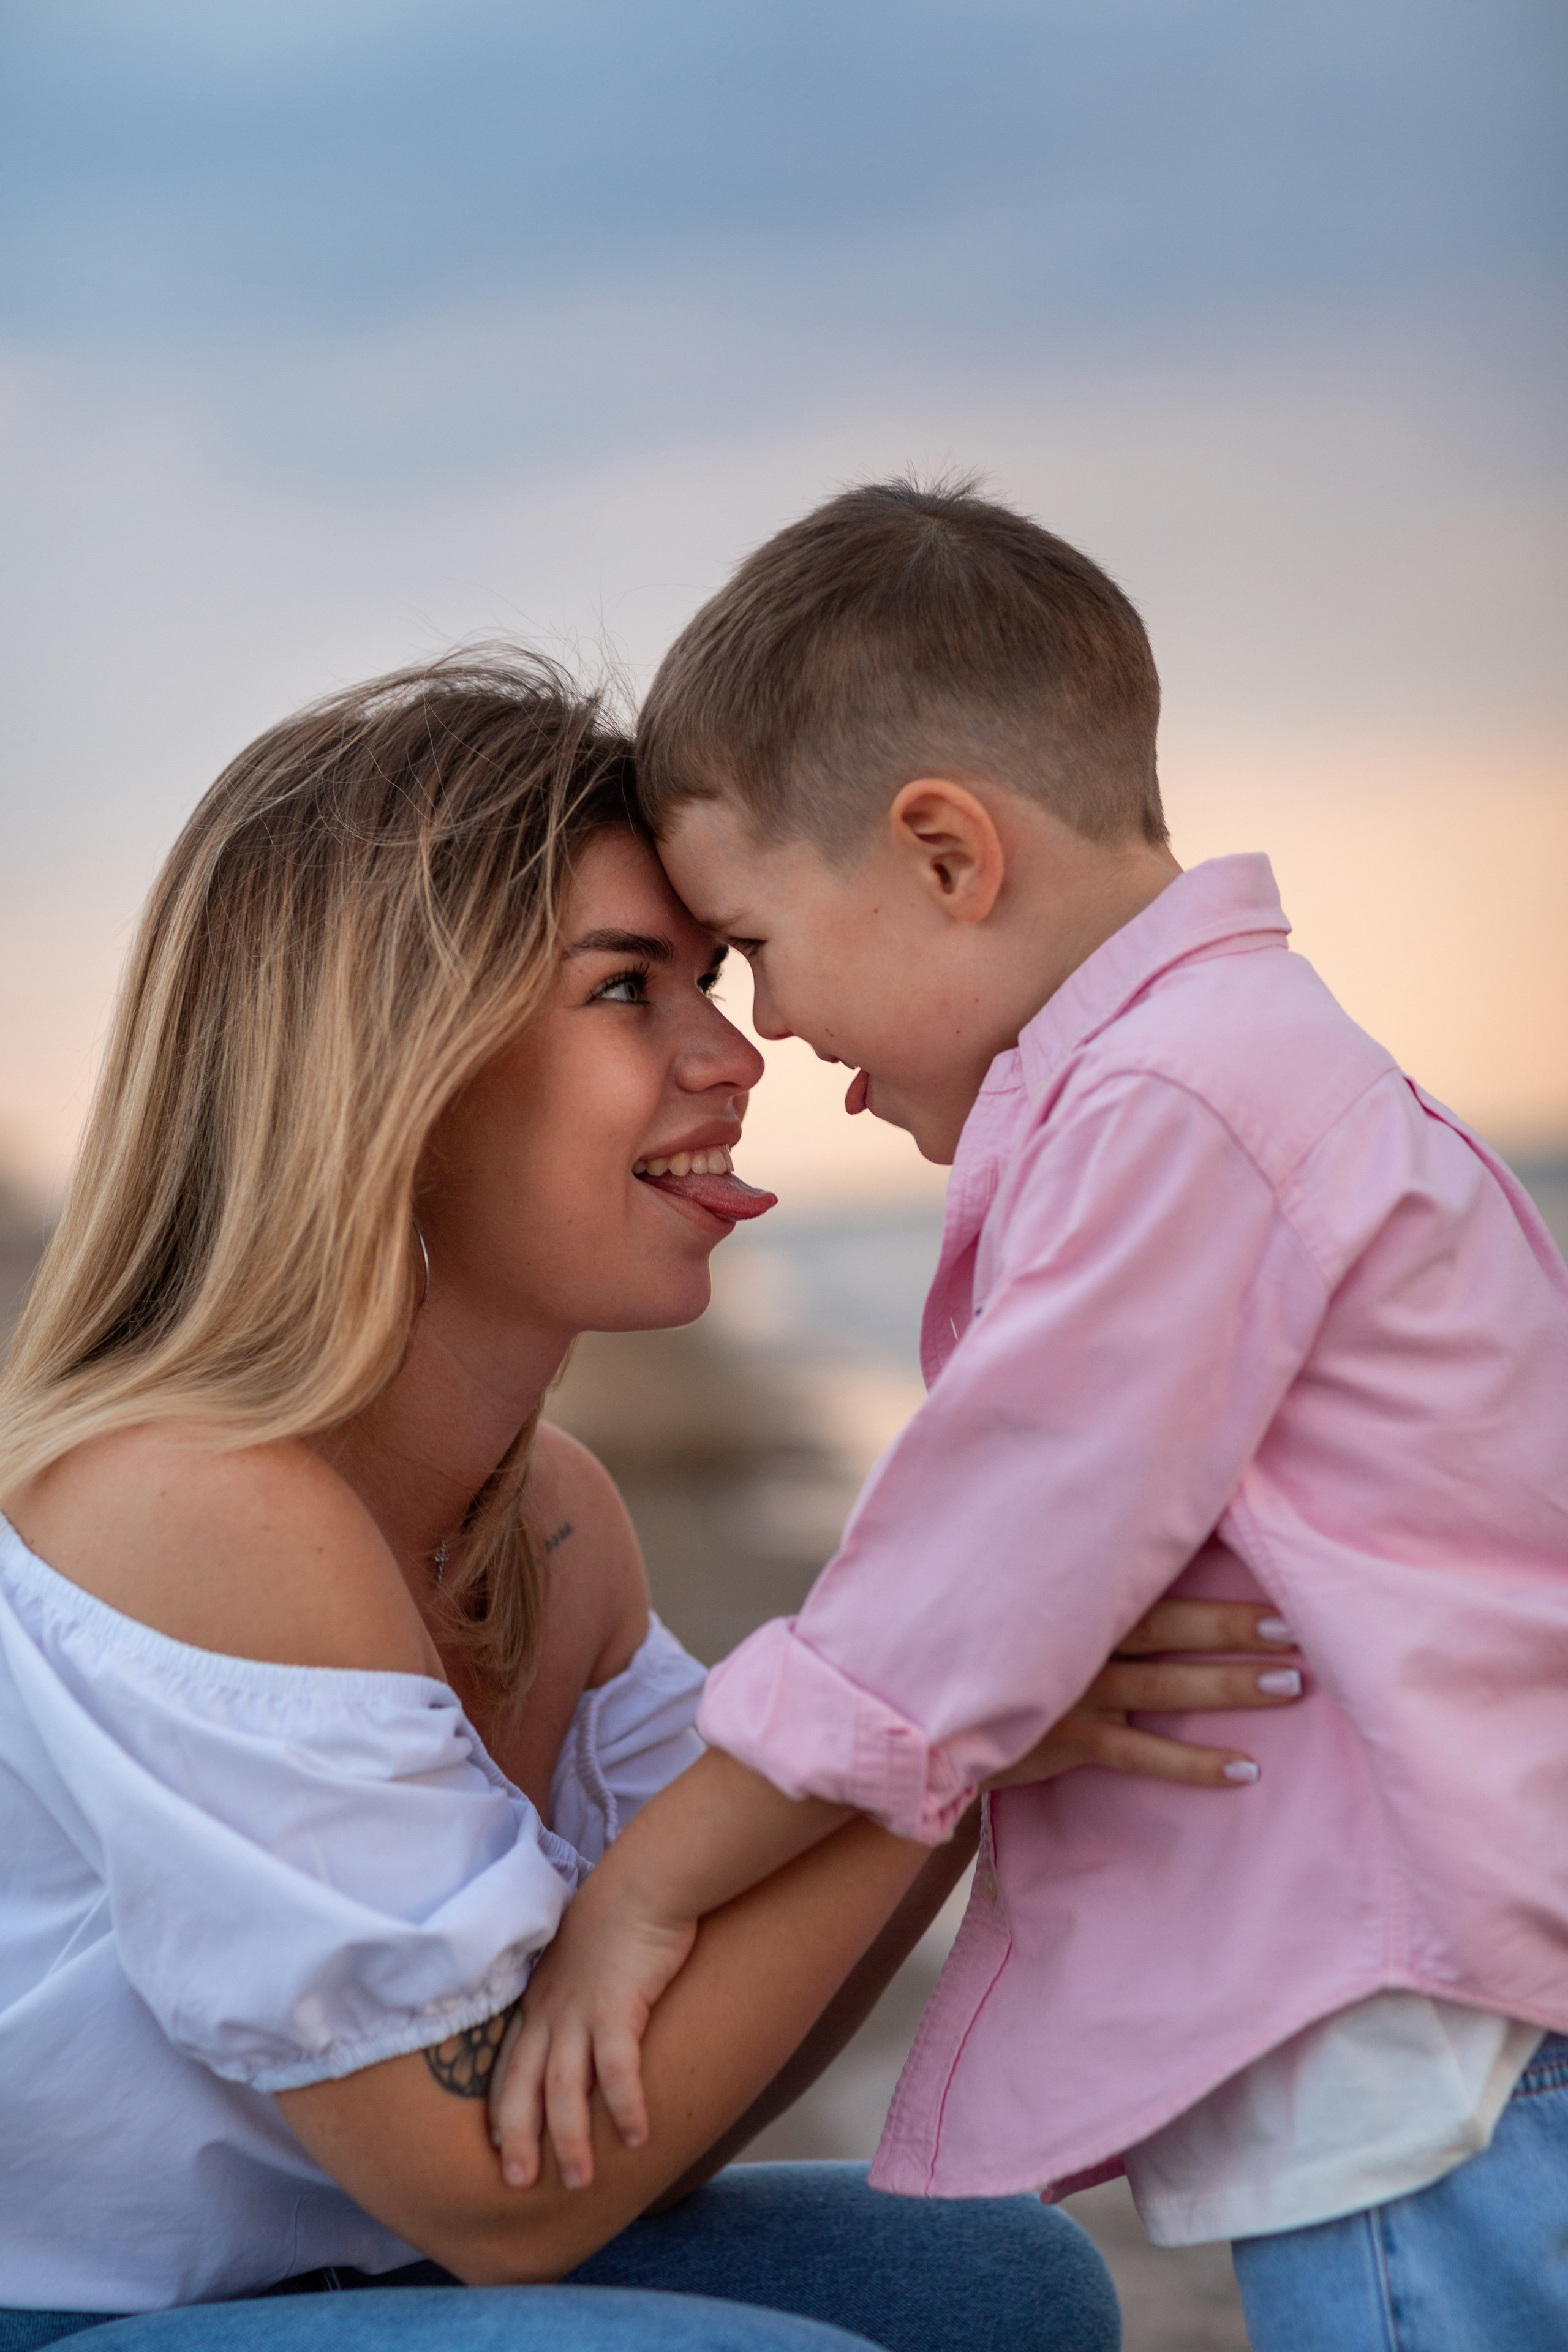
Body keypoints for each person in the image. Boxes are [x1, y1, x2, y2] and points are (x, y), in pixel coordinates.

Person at [0, 651, 1305, 2352]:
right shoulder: (196, 1505)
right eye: (627, 990)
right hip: (65, 2309)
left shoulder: (556, 1519)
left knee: (1004, 2280)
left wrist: (966, 1725)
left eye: (715, 977)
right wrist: (955, 1725)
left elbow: (647, 2092)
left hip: (346, 2275)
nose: (735, 1054)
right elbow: (500, 2194)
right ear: (394, 1070)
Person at [494, 483, 1568, 2352]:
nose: (774, 1034)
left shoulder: (1176, 1108)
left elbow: (965, 1589)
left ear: (945, 854)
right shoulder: (1241, 1073)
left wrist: (644, 1894)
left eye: (757, 942)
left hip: (1412, 2033)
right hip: (1445, 1995)